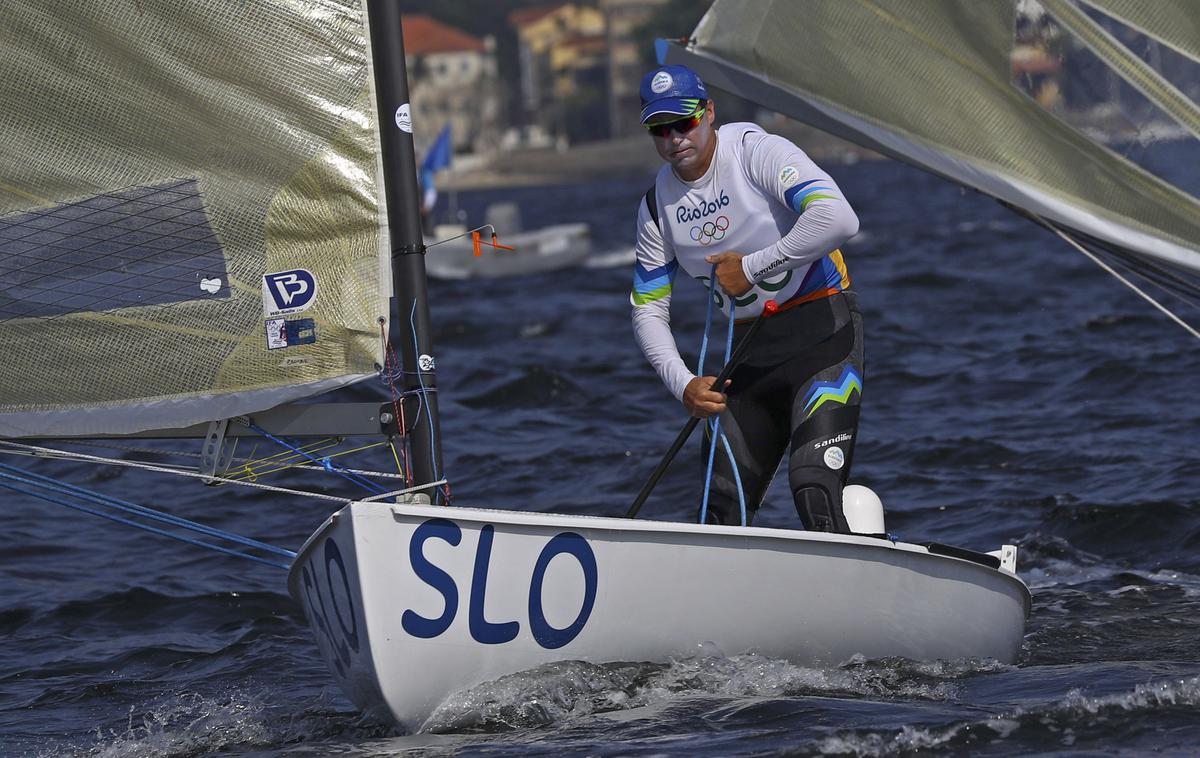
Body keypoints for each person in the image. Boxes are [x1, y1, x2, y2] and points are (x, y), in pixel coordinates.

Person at [629, 64, 864, 532]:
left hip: (821, 335)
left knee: (813, 489)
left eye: (685, 122)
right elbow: (647, 308)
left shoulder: (756, 151)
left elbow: (840, 219)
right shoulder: (657, 207)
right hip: (749, 357)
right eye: (660, 129)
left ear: (709, 112)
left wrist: (752, 268)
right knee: (717, 511)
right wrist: (683, 385)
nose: (675, 138)